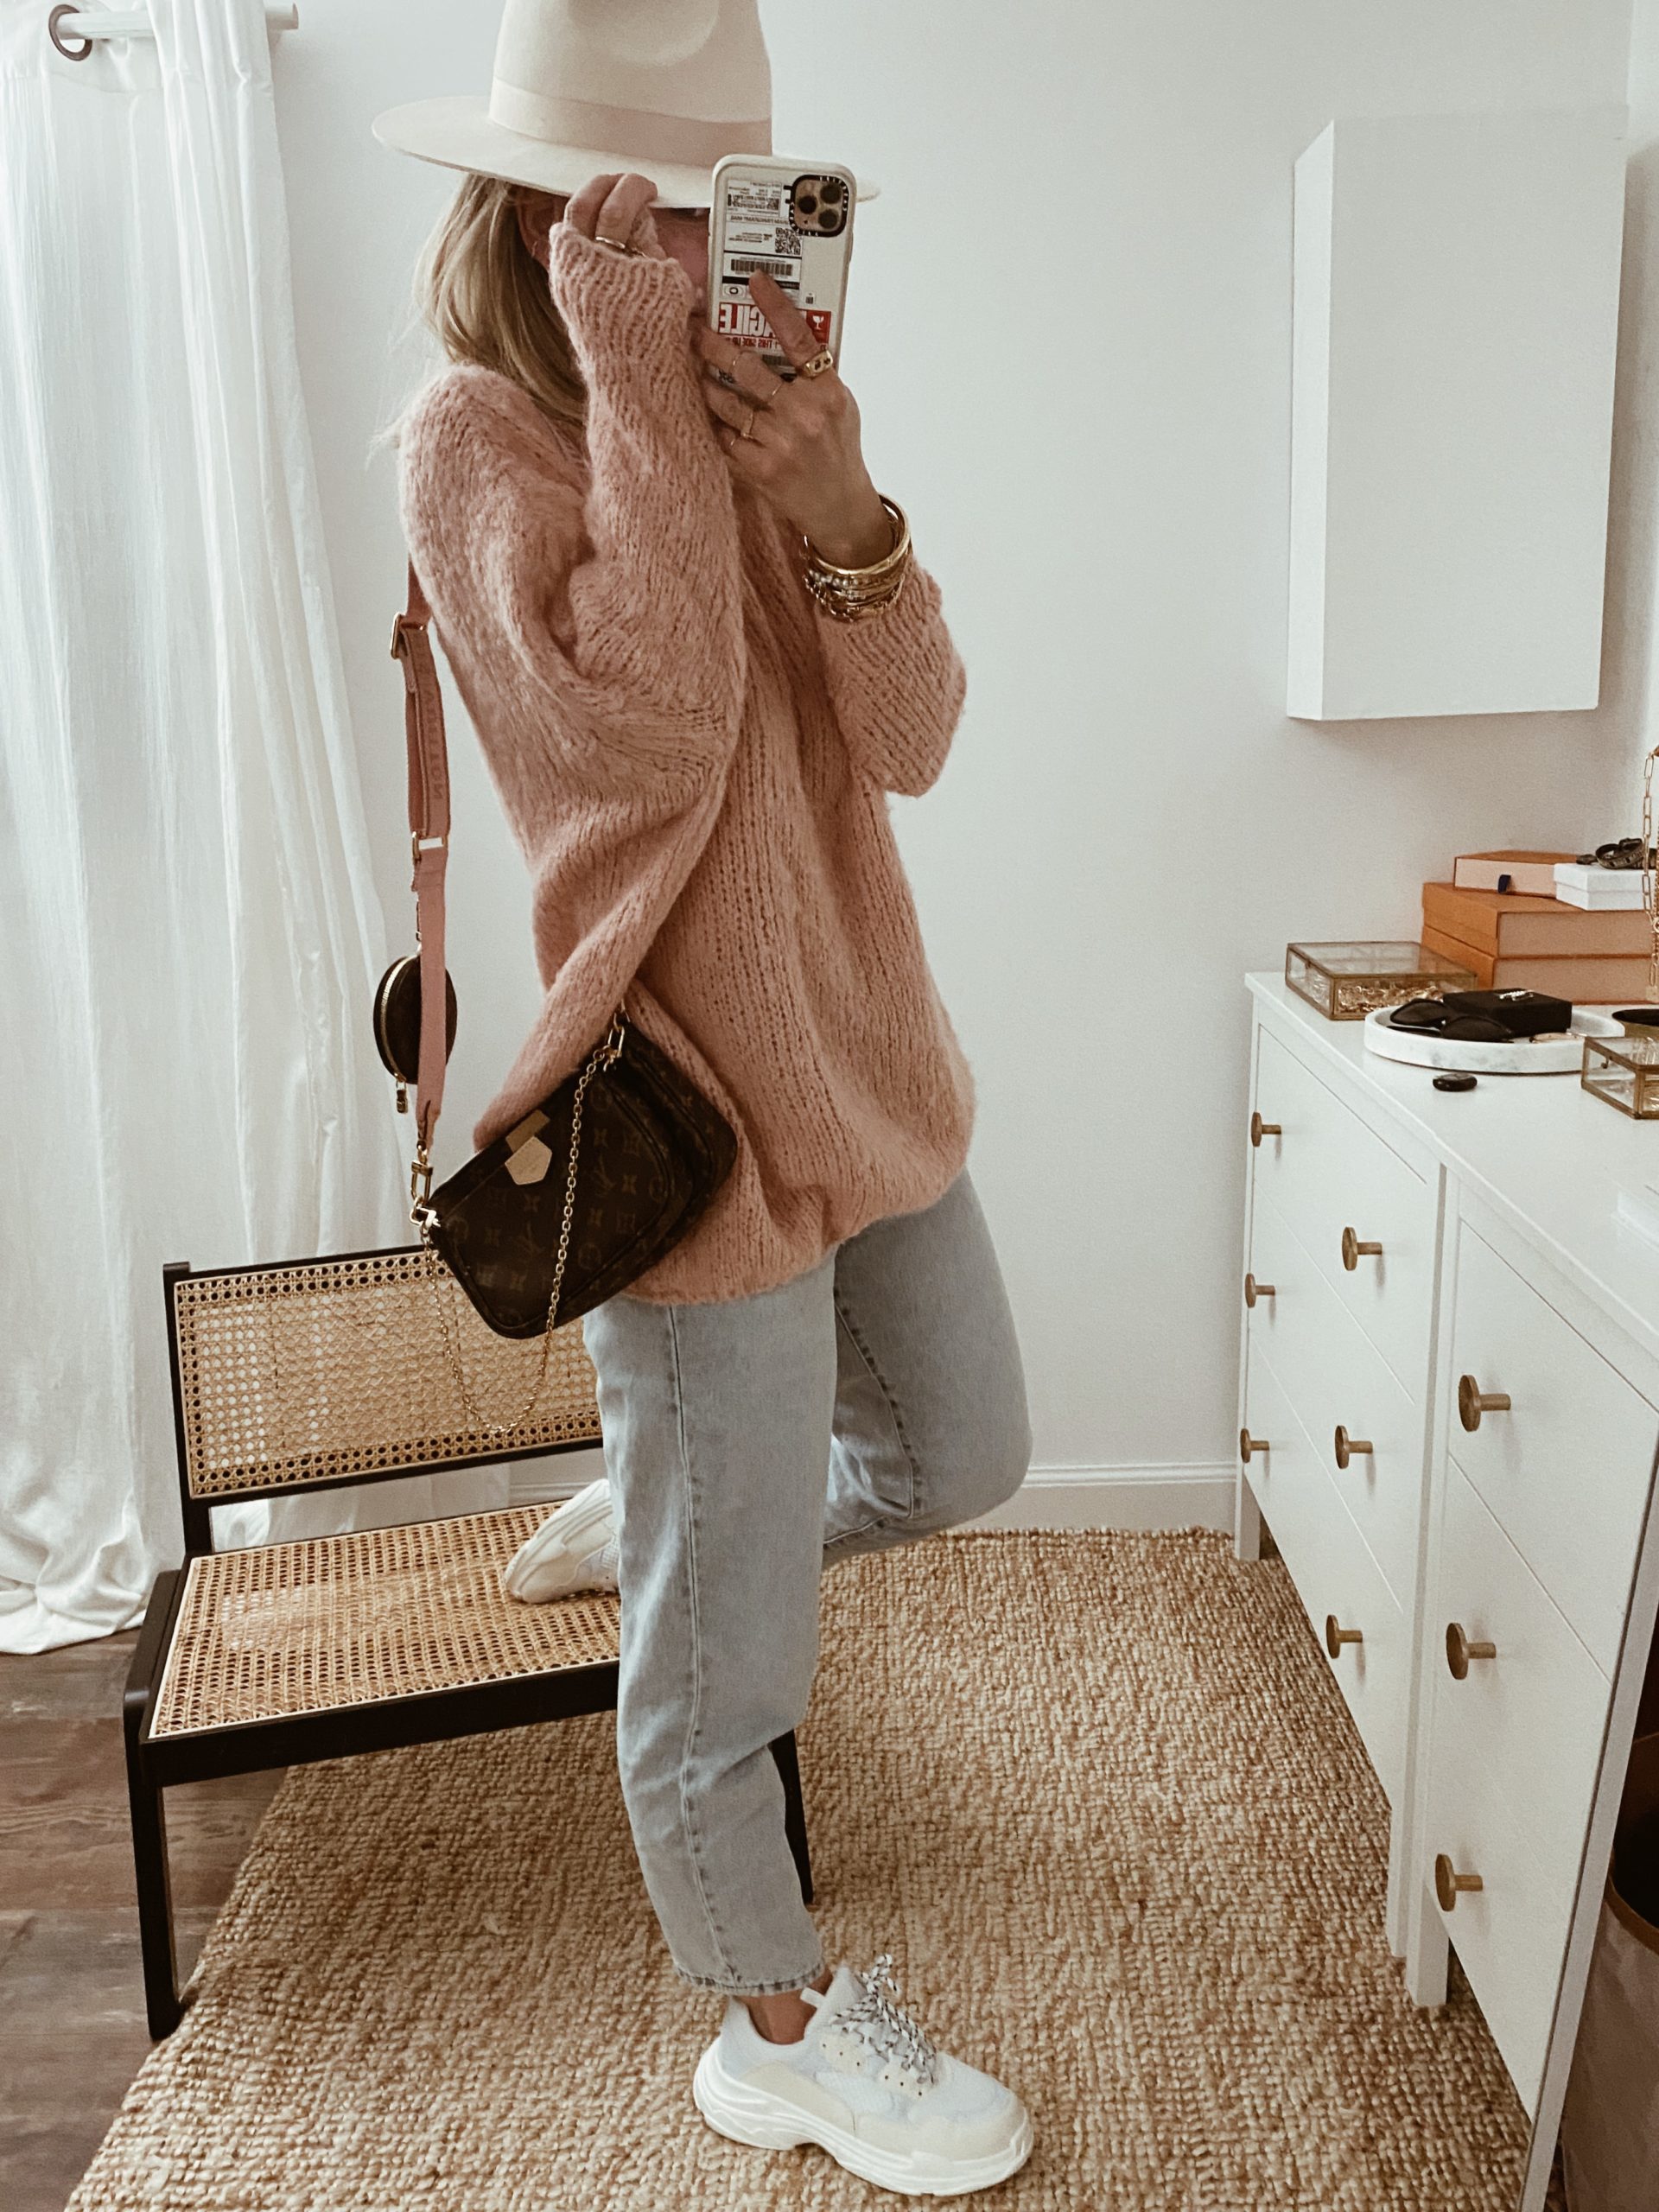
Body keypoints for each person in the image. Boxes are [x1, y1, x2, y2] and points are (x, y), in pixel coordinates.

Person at [384, 34, 1035, 2194]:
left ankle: (657, 1528)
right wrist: (639, 391)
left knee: (964, 1450)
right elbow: (648, 733)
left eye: (712, 204)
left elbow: (915, 741)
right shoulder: (477, 437)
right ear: (538, 211)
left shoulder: (751, 411)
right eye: (641, 205)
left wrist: (845, 513)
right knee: (724, 1672)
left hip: (868, 1055)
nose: (686, 247)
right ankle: (774, 2033)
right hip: (690, 1130)